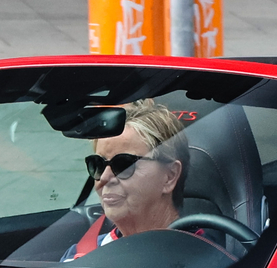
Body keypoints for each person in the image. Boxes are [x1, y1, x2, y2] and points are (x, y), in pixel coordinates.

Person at [64, 104, 190, 259]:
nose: (104, 178)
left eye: (124, 164)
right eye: (97, 164)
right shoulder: (78, 256)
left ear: (170, 176)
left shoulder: (206, 262)